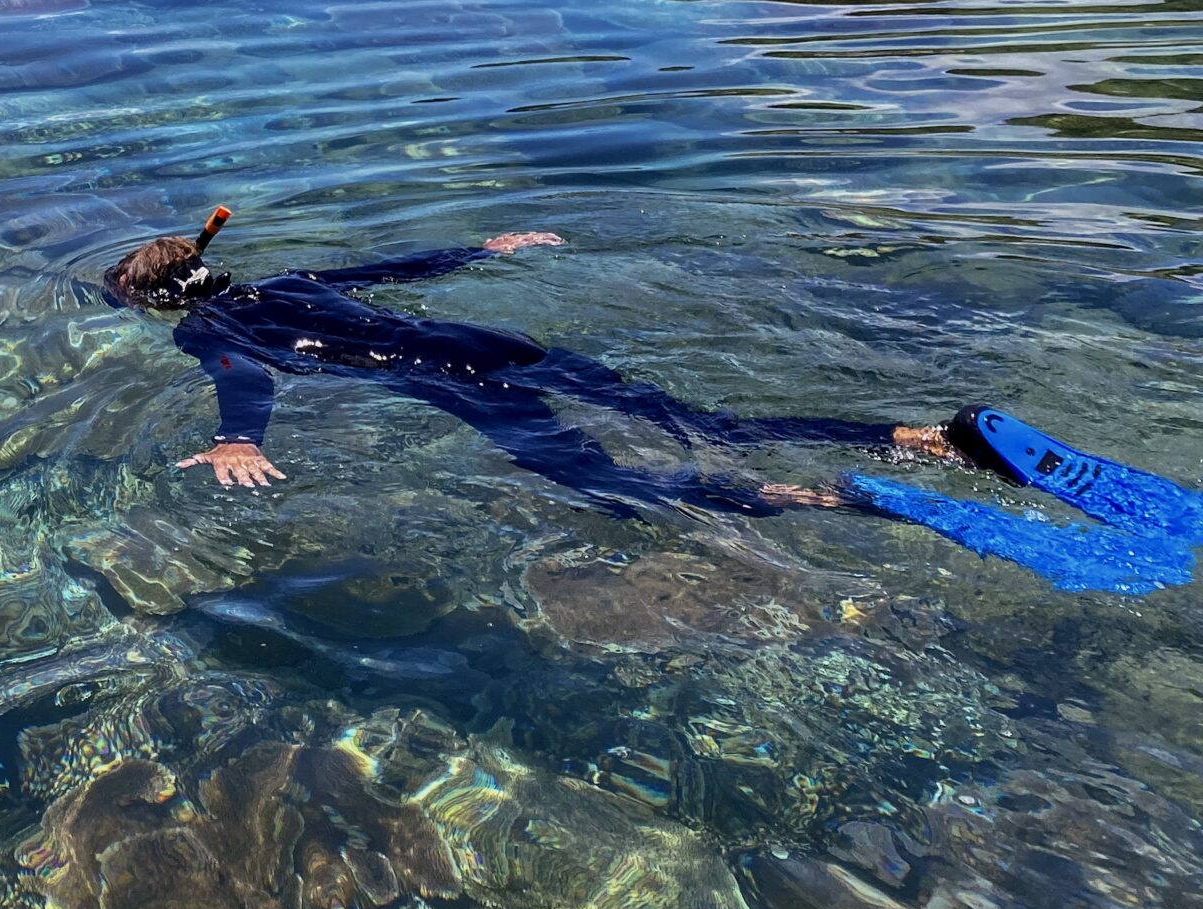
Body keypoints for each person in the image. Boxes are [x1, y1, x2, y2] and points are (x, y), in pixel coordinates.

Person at [108, 208, 1200, 592]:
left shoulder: (210, 328)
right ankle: (929, 438)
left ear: (163, 309)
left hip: (457, 382)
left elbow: (240, 375)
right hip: (500, 341)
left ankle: (836, 498)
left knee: (608, 484)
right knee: (709, 421)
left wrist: (233, 440)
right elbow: (393, 275)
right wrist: (481, 247)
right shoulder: (288, 282)